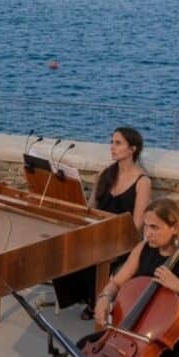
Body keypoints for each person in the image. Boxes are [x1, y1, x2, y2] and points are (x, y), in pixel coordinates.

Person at [92, 198, 179, 357]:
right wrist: (104, 297)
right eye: (146, 226)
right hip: (142, 336)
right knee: (85, 348)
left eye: (154, 227)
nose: (147, 233)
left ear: (174, 228)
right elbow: (116, 283)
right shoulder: (143, 249)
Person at [52, 126, 153, 318]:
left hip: (123, 240)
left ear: (132, 149)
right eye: (112, 142)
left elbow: (137, 225)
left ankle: (94, 301)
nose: (112, 147)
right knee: (64, 246)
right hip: (99, 232)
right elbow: (91, 207)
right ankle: (82, 297)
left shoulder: (142, 182)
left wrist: (112, 239)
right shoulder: (105, 174)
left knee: (95, 253)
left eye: (118, 143)